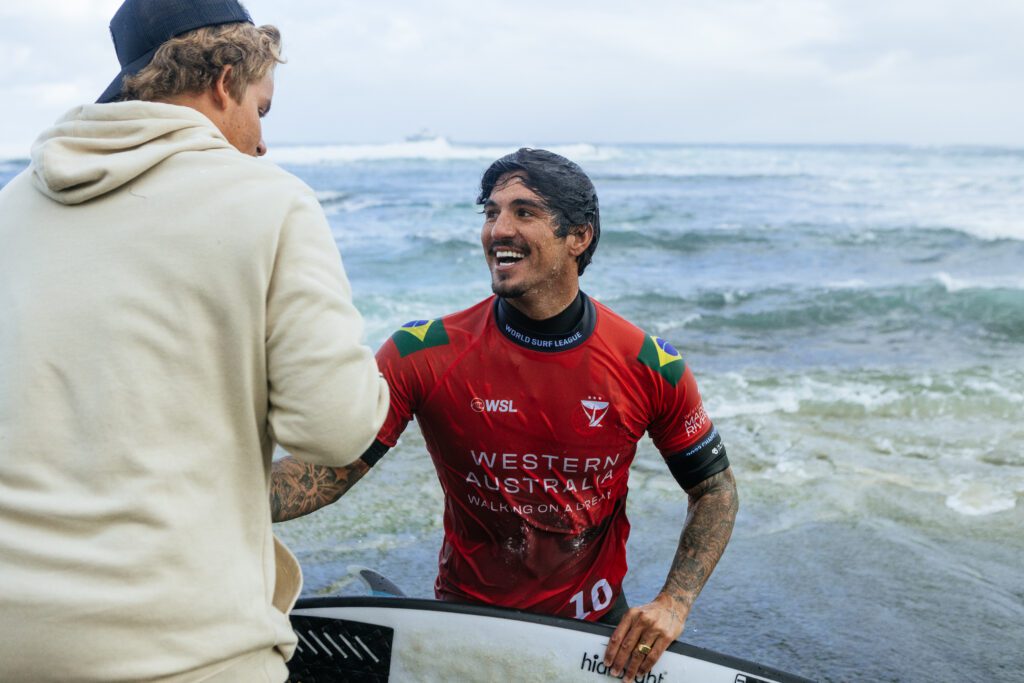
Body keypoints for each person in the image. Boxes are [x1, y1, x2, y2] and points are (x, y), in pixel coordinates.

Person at [0, 1, 388, 681]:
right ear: (224, 80)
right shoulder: (271, 202)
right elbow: (335, 427)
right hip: (182, 650)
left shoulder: (12, 208)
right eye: (261, 110)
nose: (262, 141)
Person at [271, 148, 739, 681]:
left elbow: (716, 491)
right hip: (464, 626)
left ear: (578, 237)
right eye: (491, 213)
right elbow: (329, 473)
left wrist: (673, 602)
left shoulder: (647, 364)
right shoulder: (424, 353)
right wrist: (216, 498)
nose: (499, 229)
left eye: (524, 212)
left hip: (593, 636)